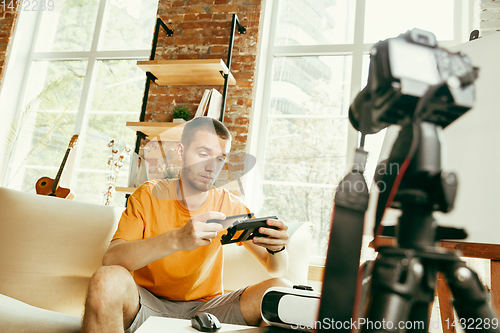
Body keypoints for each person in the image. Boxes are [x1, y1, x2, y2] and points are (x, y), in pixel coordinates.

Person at [82, 117, 291, 332]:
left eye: (220, 159)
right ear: (181, 152)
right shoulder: (148, 194)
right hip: (147, 304)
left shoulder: (230, 205)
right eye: (203, 154)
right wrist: (178, 238)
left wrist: (278, 248)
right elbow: (111, 258)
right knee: (105, 280)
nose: (211, 167)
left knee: (282, 291)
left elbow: (276, 269)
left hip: (208, 309)